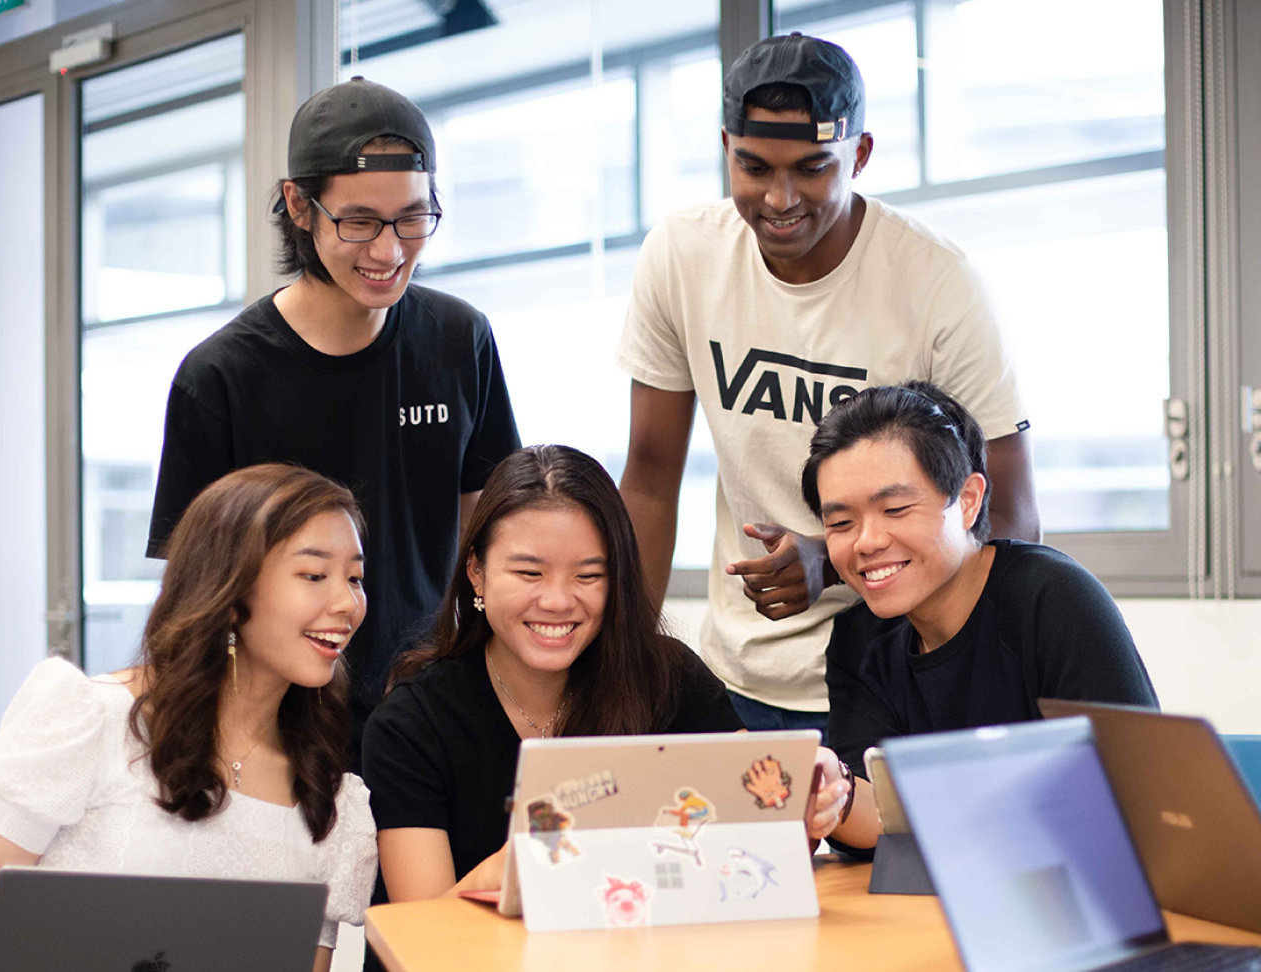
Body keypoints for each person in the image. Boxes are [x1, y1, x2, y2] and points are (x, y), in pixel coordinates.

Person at [616, 33, 1041, 738]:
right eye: (752, 167)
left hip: (901, 675)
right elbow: (651, 480)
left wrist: (833, 556)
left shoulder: (938, 283)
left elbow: (1012, 518)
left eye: (812, 169)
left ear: (860, 154)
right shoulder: (683, 257)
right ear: (726, 147)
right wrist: (621, 667)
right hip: (738, 680)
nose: (779, 199)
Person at [147, 77, 521, 764]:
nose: (389, 251)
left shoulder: (458, 339)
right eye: (359, 223)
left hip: (434, 709)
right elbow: (191, 596)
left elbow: (492, 528)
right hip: (282, 726)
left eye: (413, 218)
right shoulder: (220, 377)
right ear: (299, 204)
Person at [362, 445, 850, 902]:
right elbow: (420, 938)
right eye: (529, 574)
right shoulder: (411, 724)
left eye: (588, 576)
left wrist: (807, 802)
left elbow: (755, 838)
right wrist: (513, 870)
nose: (557, 601)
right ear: (476, 572)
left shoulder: (667, 678)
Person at [0, 464, 378, 970]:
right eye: (314, 575)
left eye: (355, 578)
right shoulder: (93, 718)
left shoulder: (330, 798)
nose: (346, 602)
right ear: (230, 590)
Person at [798, 382, 1158, 850]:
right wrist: (837, 794)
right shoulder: (858, 638)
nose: (866, 542)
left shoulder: (1051, 599)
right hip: (932, 903)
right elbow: (878, 816)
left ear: (967, 500)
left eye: (895, 508)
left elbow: (1137, 794)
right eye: (841, 523)